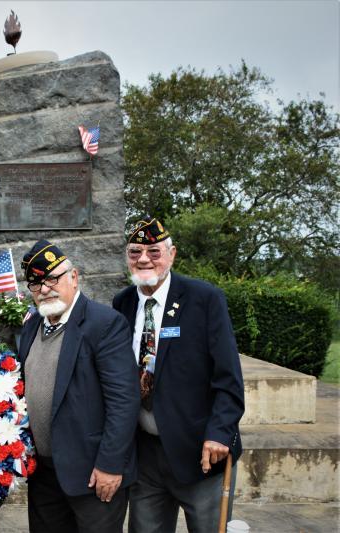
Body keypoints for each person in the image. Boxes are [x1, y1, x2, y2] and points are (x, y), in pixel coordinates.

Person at [112, 217, 245, 533]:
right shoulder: (123, 303)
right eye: (135, 252)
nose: (144, 259)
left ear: (171, 255)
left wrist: (220, 432)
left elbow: (228, 377)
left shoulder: (204, 299)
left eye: (154, 251)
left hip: (201, 454)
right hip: (145, 457)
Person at [18, 239, 140, 533]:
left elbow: (124, 401)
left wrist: (110, 465)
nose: (44, 288)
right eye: (35, 284)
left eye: (51, 278)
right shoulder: (32, 325)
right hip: (44, 475)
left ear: (74, 277)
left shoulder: (105, 324)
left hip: (93, 475)